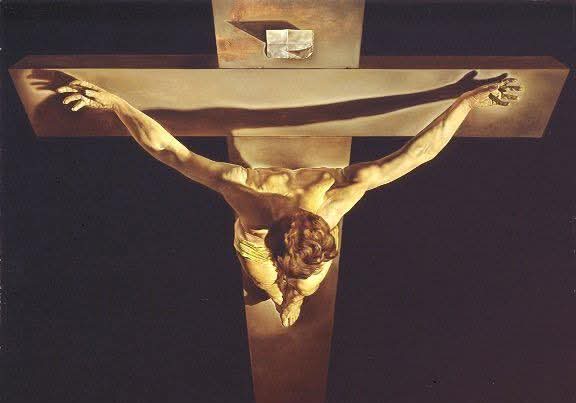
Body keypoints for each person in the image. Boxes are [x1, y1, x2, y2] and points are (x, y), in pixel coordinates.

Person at [56, 76, 521, 327]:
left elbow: (418, 154)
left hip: (291, 247)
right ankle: (281, 297)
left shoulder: (337, 198)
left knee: (310, 286)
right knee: (265, 283)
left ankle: (294, 296)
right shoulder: (246, 195)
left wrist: (467, 101)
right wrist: (116, 105)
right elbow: (170, 152)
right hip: (257, 246)